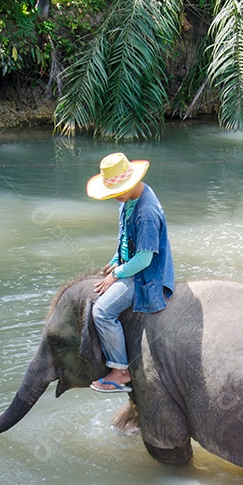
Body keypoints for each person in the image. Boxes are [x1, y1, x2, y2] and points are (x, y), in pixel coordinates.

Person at [85, 152, 175, 393]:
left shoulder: (147, 212)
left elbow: (145, 258)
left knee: (102, 312)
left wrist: (116, 275)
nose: (115, 198)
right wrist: (116, 260)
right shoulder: (130, 200)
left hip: (148, 274)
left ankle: (120, 370)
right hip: (132, 264)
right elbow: (126, 237)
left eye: (117, 193)